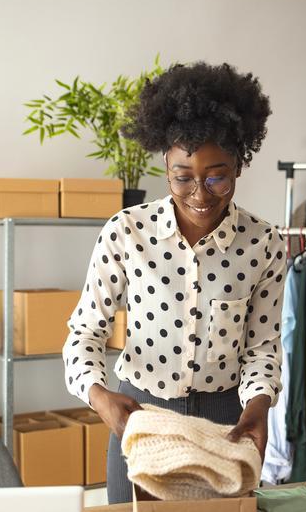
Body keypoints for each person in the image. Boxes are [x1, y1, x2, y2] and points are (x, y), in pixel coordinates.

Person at [62, 61, 285, 504]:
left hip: (227, 422)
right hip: (142, 418)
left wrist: (258, 406)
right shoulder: (127, 232)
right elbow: (86, 331)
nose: (200, 193)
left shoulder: (265, 243)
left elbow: (261, 347)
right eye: (184, 177)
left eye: (216, 175)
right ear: (166, 166)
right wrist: (99, 395)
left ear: (239, 165)